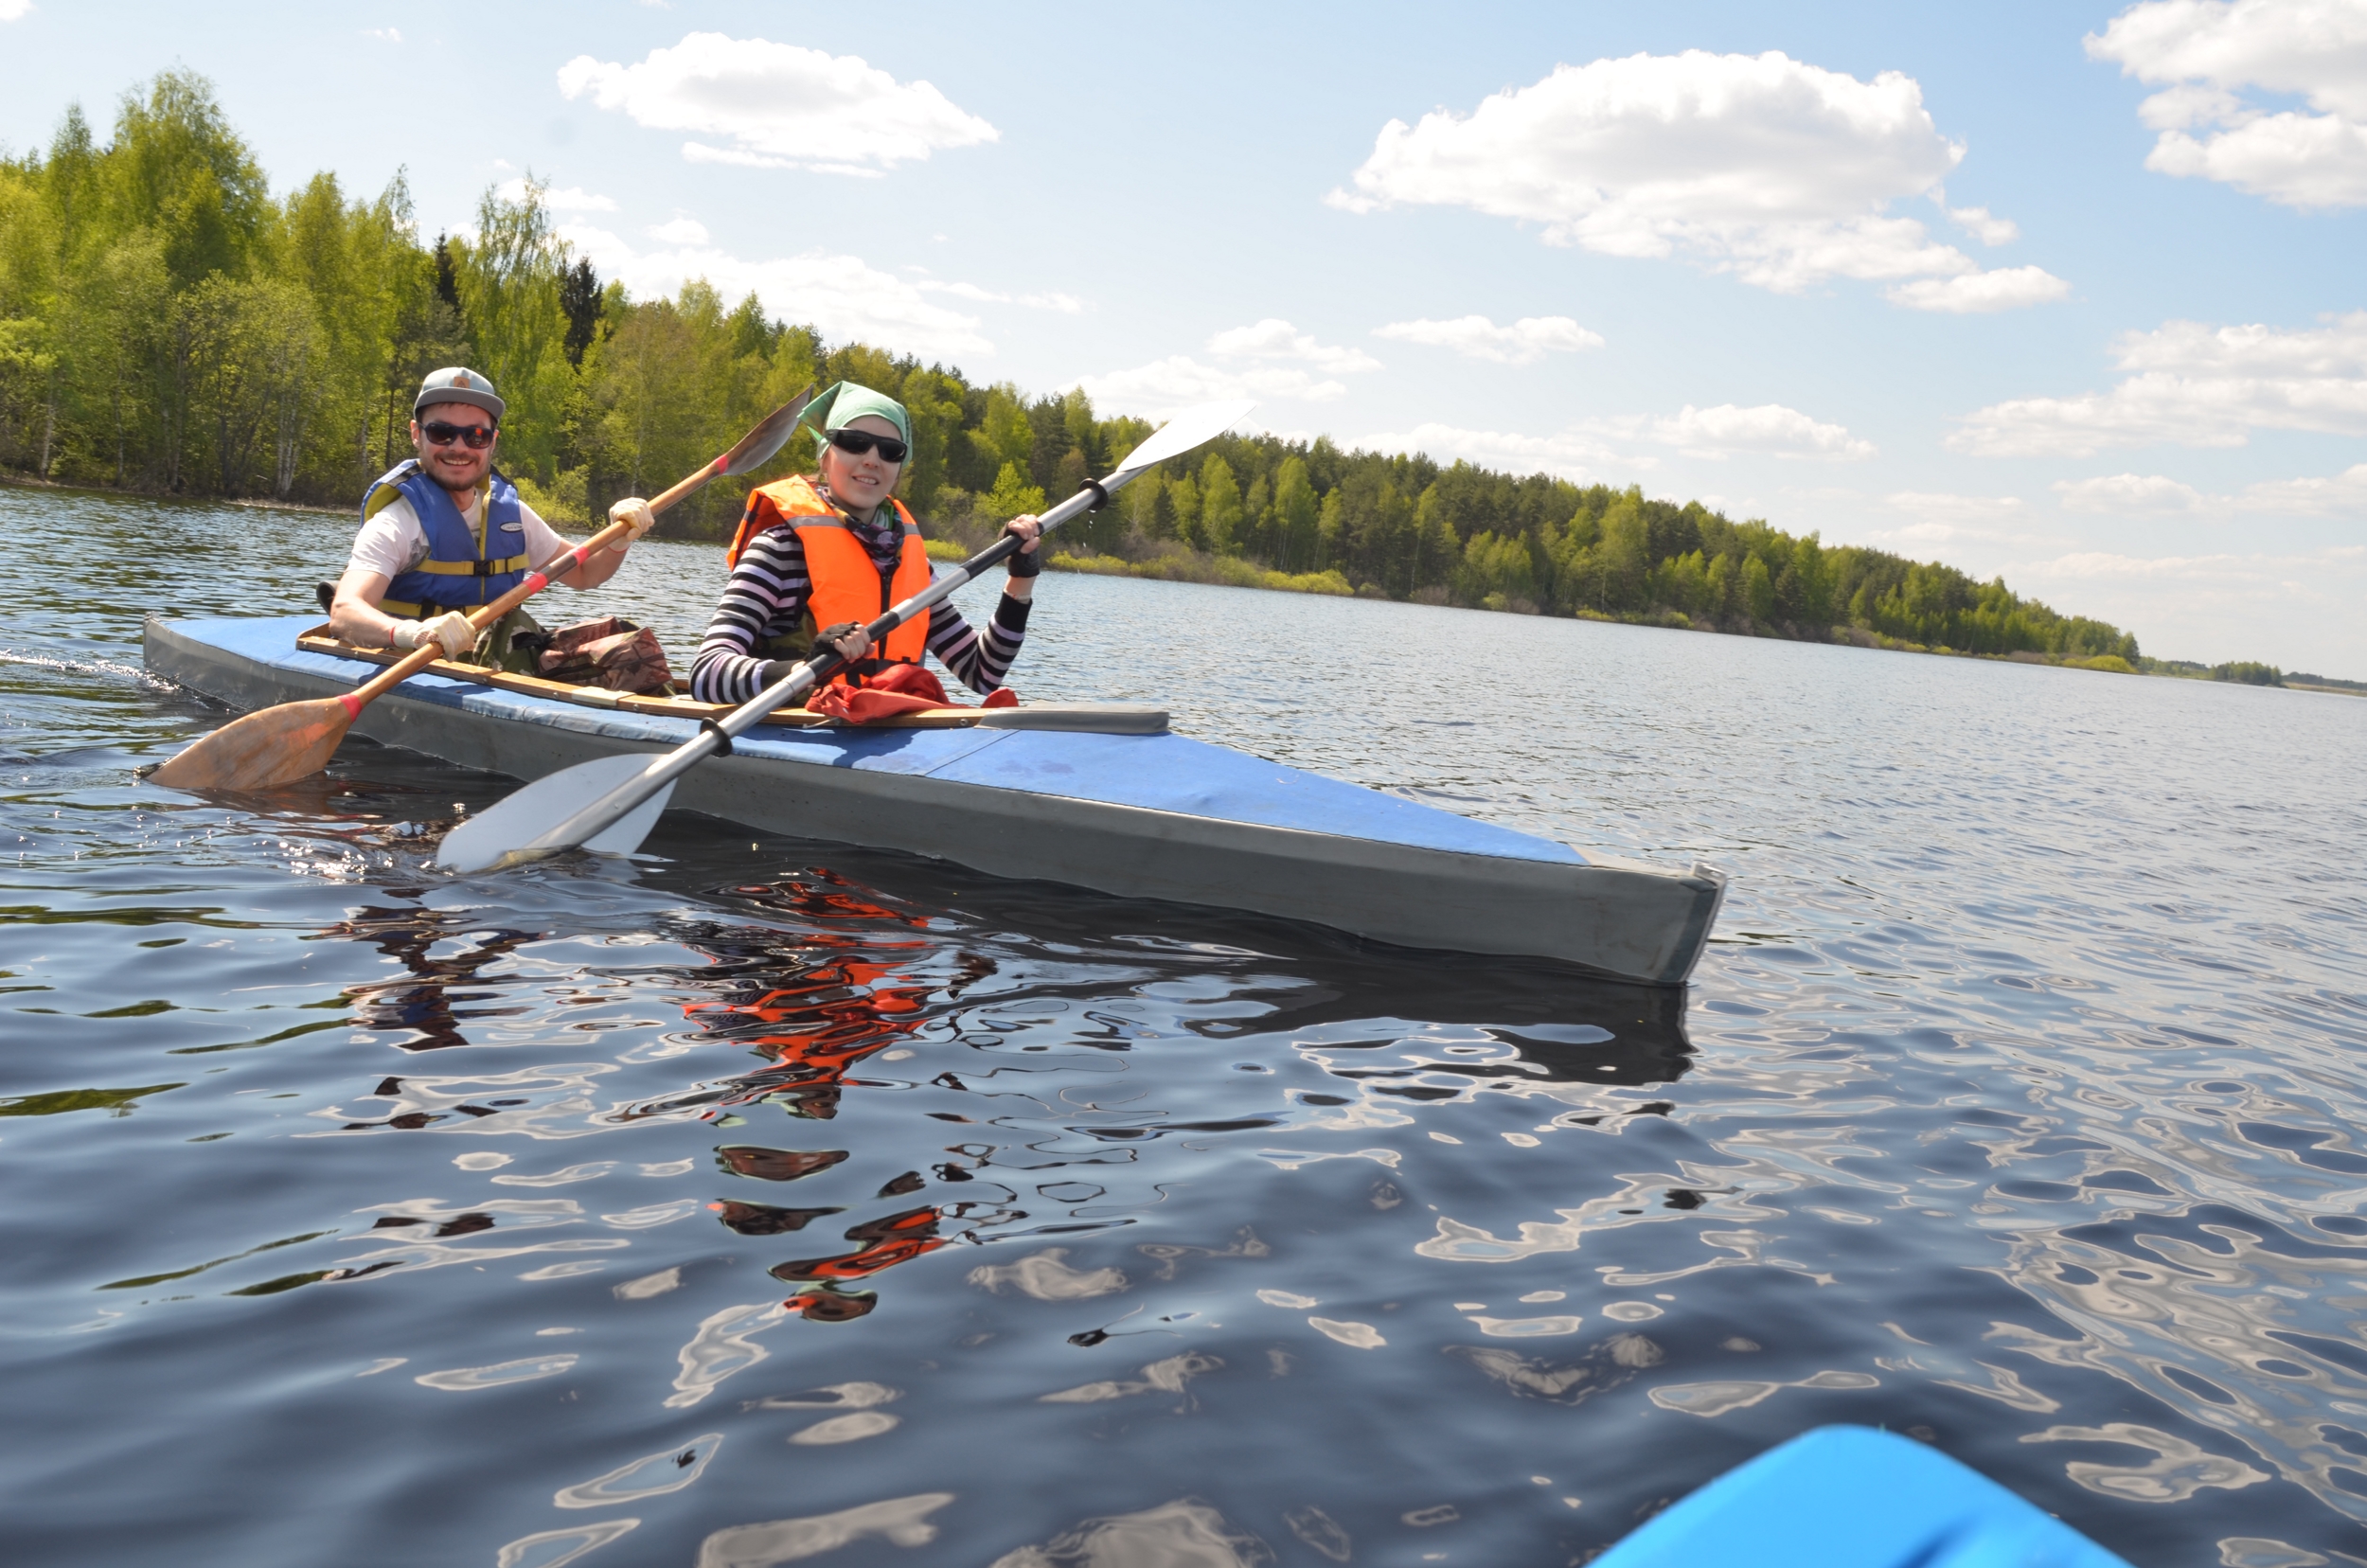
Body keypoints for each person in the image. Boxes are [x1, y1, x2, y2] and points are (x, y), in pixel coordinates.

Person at [685, 381, 1041, 705]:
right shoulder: (778, 550)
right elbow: (707, 674)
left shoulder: (906, 560)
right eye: (853, 443)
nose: (872, 459)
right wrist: (804, 669)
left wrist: (1021, 580)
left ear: (899, 468)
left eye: (890, 451)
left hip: (888, 737)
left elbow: (982, 672)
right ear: (825, 456)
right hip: (804, 734)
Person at [329, 367, 650, 660]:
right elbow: (345, 613)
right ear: (416, 433)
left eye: (476, 435)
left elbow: (586, 573)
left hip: (493, 658)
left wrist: (619, 539)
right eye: (442, 432)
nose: (459, 447)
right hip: (414, 663)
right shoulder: (397, 523)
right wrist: (413, 633)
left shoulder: (513, 517)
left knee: (627, 645)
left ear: (492, 442)